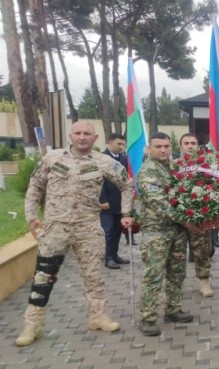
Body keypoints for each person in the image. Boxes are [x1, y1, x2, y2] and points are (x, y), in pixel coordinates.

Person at [15, 122, 134, 347]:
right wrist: (31, 216)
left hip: (87, 228)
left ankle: (97, 317)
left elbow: (127, 186)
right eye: (78, 133)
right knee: (43, 276)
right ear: (70, 135)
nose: (82, 137)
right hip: (55, 228)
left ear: (95, 137)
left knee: (94, 276)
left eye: (87, 134)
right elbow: (35, 186)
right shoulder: (52, 158)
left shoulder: (105, 162)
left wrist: (126, 212)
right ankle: (33, 324)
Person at [137, 131, 196, 336]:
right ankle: (148, 317)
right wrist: (188, 222)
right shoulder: (147, 172)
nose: (163, 150)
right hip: (157, 232)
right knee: (154, 275)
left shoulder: (175, 167)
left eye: (166, 146)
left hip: (178, 231)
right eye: (158, 147)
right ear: (150, 149)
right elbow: (160, 205)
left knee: (177, 272)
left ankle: (173, 309)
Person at [175, 133, 215, 298]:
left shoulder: (205, 165)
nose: (190, 146)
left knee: (202, 251)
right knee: (177, 253)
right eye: (186, 143)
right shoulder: (173, 165)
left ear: (198, 146)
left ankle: (204, 281)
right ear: (180, 145)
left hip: (199, 217)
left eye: (193, 143)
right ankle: (175, 284)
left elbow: (213, 187)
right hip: (177, 218)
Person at [99, 133, 130, 269]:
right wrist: (102, 199)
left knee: (117, 230)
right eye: (119, 144)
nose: (122, 147)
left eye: (123, 144)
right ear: (109, 143)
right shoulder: (101, 158)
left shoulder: (123, 157)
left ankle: (115, 255)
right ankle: (108, 258)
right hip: (107, 203)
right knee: (109, 231)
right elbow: (99, 181)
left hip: (120, 202)